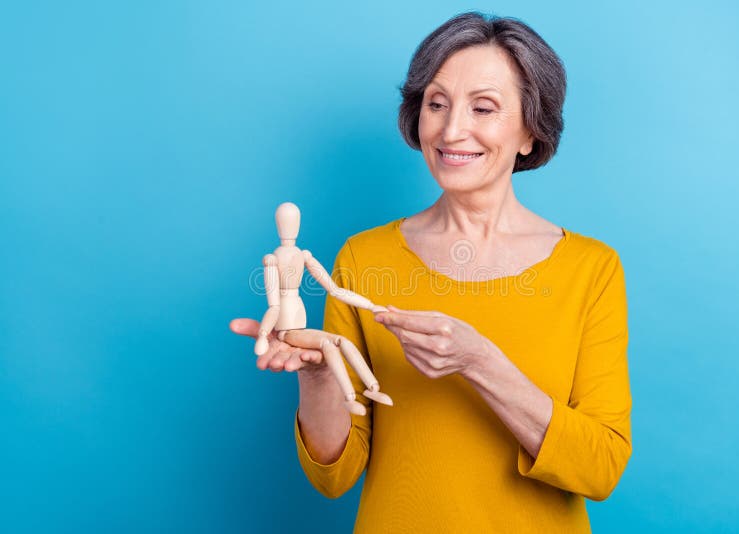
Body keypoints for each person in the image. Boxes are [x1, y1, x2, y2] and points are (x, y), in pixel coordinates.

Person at [230, 11, 632, 533]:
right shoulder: (365, 258)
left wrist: (479, 362)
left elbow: (600, 469)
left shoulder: (590, 269)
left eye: (482, 107)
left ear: (531, 132)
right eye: (436, 104)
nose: (451, 128)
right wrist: (316, 375)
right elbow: (333, 476)